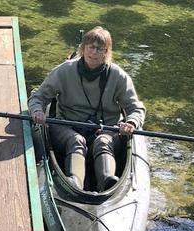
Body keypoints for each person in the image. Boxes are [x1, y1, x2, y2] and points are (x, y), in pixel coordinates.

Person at [28, 26, 146, 191]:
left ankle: (108, 183)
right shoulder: (65, 70)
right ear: (83, 49)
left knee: (103, 142)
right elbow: (38, 97)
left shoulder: (118, 76)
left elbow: (135, 108)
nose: (95, 52)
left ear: (106, 52)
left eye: (100, 49)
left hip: (105, 129)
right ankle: (74, 184)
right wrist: (37, 111)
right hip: (67, 127)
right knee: (76, 141)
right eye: (91, 47)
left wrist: (131, 122)